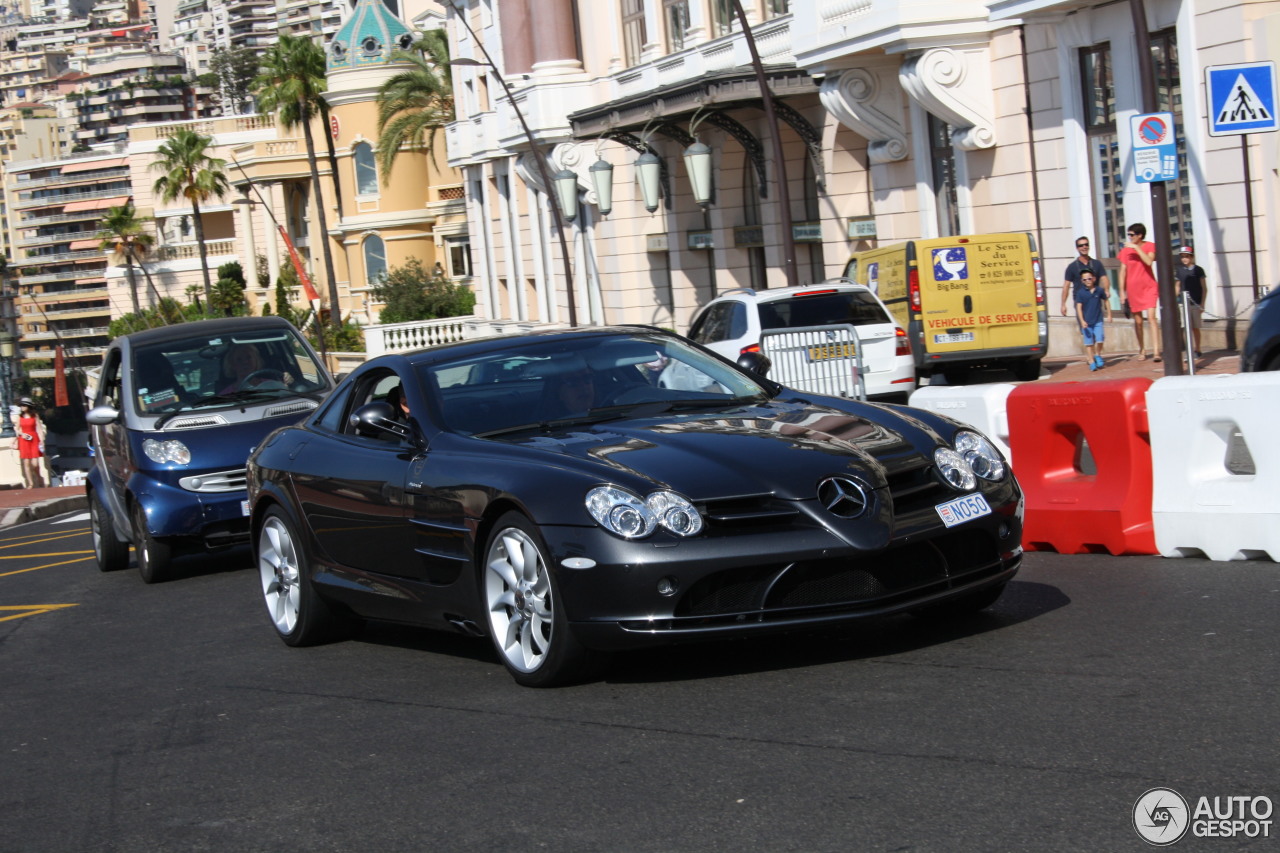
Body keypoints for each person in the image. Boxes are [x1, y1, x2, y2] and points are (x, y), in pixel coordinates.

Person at [1118, 222, 1161, 362]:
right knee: (1138, 321)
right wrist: (1122, 292)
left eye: (1132, 235)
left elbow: (1149, 261)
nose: (1129, 237)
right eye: (1128, 235)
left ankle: (1156, 351)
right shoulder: (1125, 251)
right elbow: (1122, 272)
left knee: (1152, 318)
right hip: (1133, 289)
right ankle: (1142, 349)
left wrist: (1136, 248)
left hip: (1149, 287)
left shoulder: (1149, 246)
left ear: (1140, 235)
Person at [1061, 236, 1110, 319]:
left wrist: (1106, 290)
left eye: (1086, 244)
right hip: (1081, 302)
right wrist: (1063, 304)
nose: (1084, 247)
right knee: (1085, 328)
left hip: (1095, 301)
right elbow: (1066, 285)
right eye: (1081, 245)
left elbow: (1104, 278)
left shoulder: (1097, 264)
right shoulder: (1072, 267)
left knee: (1097, 327)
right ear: (1077, 248)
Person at [1075, 270, 1112, 371]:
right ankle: (1091, 361)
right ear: (1082, 281)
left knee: (1100, 339)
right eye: (1085, 279)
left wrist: (1109, 314)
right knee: (1089, 343)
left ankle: (1097, 354)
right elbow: (1079, 307)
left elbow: (1106, 301)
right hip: (1087, 322)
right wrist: (1082, 320)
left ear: (1094, 279)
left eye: (1089, 278)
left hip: (1098, 320)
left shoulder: (1099, 290)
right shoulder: (1081, 293)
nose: (1088, 281)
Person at [1174, 246, 1206, 358]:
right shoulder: (1179, 270)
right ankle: (1189, 348)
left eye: (1186, 256)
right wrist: (1175, 299)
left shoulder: (1198, 270)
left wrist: (1202, 304)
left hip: (1195, 302)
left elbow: (1204, 288)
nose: (1184, 259)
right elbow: (1177, 286)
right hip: (1183, 302)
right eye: (1182, 257)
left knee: (1195, 327)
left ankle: (1198, 348)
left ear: (1191, 257)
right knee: (1185, 326)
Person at [13, 398, 46, 489]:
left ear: (28, 406)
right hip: (24, 440)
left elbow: (39, 429)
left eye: (24, 405)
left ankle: (39, 477)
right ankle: (30, 483)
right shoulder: (20, 417)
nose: (22, 407)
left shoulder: (34, 416)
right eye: (21, 406)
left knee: (35, 464)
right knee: (26, 463)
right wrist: (21, 434)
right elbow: (16, 429)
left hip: (34, 439)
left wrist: (42, 441)